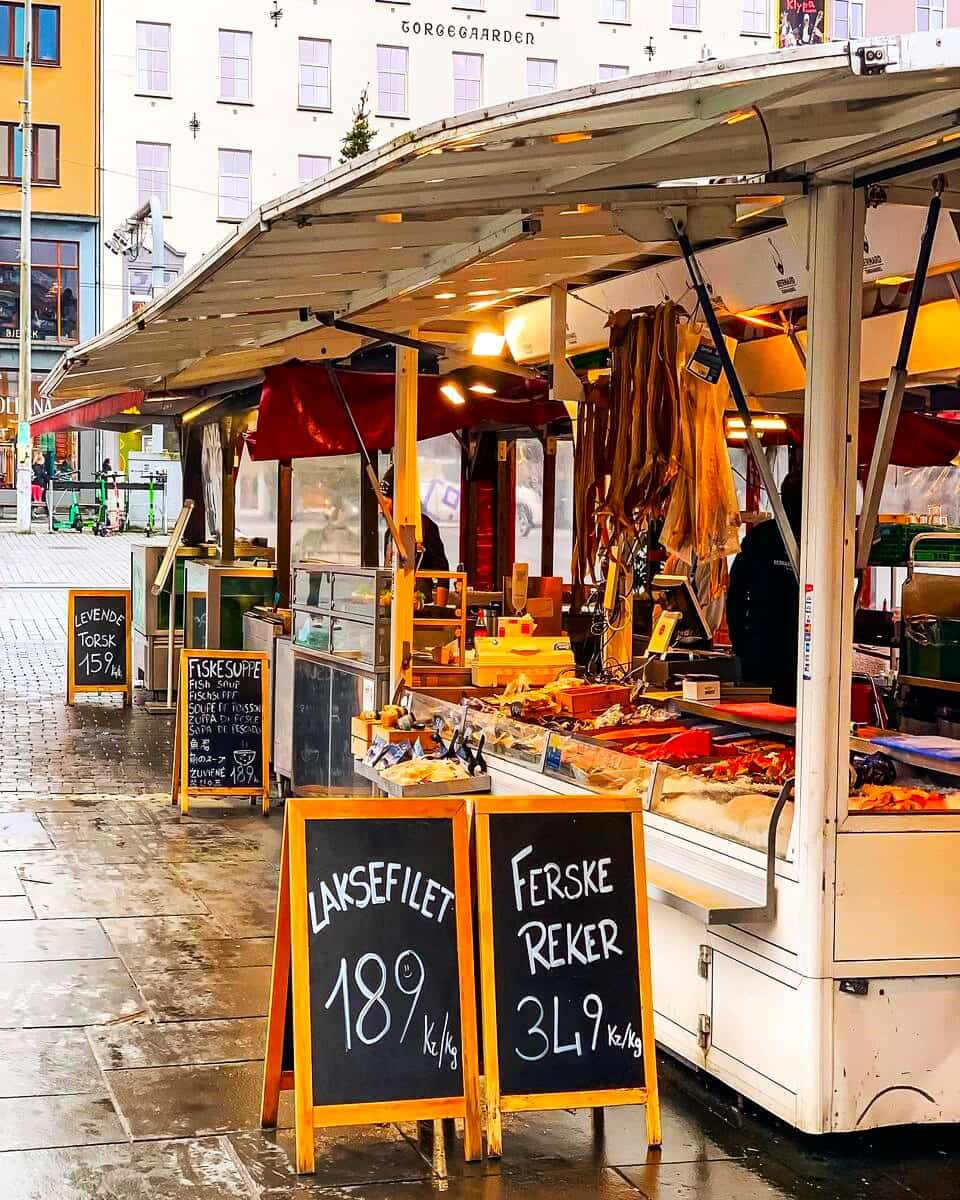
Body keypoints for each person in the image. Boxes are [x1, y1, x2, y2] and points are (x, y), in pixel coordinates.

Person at [726, 470, 802, 706]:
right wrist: (740, 644)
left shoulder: (819, 538)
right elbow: (735, 595)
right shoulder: (761, 539)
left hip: (799, 657)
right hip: (762, 655)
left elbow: (735, 596)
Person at [379, 465, 449, 574]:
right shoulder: (389, 534)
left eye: (385, 503)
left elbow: (442, 573)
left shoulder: (426, 526)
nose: (380, 510)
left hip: (421, 590)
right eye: (379, 503)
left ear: (398, 501)